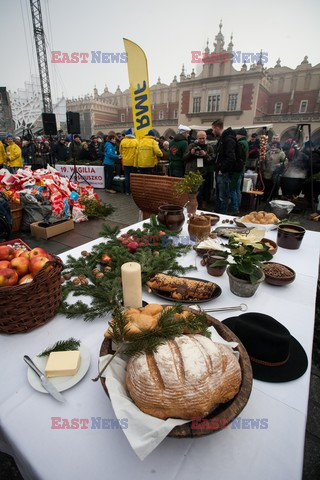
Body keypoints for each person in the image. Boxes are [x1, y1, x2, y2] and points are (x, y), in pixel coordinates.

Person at [212, 119, 237, 214]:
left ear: (217, 128)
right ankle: (217, 213)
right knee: (219, 195)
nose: (213, 131)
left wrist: (222, 170)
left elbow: (231, 158)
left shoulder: (228, 139)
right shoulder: (223, 139)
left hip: (224, 173)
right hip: (220, 171)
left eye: (213, 129)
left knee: (223, 196)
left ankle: (222, 215)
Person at [183, 130, 214, 209]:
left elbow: (211, 161)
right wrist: (191, 153)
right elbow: (184, 158)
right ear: (197, 138)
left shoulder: (209, 147)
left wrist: (205, 155)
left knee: (200, 193)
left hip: (201, 173)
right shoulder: (191, 146)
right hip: (191, 172)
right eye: (200, 138)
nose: (202, 140)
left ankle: (198, 209)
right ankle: (190, 209)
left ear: (205, 137)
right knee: (189, 193)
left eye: (203, 138)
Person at [260, 135, 286, 200]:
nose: (273, 148)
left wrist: (280, 164)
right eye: (272, 147)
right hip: (266, 173)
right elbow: (263, 162)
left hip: (274, 174)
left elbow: (285, 161)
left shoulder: (281, 153)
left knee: (273, 189)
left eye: (274, 147)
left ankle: (272, 199)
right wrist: (262, 166)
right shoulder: (267, 153)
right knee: (266, 188)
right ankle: (264, 199)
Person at [229, 128, 248, 215]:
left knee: (233, 188)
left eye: (237, 134)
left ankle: (235, 208)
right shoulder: (246, 143)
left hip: (237, 169)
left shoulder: (240, 143)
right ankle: (237, 206)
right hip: (241, 168)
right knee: (237, 189)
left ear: (240, 135)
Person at [119, 128, 138, 194]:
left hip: (125, 162)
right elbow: (138, 151)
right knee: (133, 177)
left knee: (127, 176)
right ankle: (134, 191)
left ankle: (127, 191)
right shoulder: (135, 141)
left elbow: (120, 151)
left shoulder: (123, 141)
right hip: (133, 162)